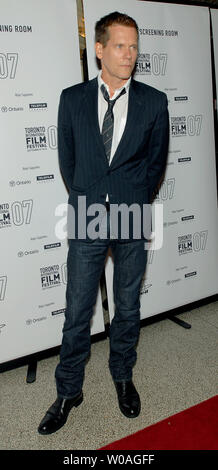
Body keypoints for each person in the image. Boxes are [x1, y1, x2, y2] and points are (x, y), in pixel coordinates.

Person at [38, 11, 169, 435]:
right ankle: (68, 390)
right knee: (78, 310)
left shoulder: (154, 100)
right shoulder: (71, 99)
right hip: (89, 211)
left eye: (133, 46)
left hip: (132, 212)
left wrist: (135, 198)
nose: (129, 54)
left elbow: (155, 163)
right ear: (99, 49)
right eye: (120, 45)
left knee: (127, 308)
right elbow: (68, 162)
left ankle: (122, 377)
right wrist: (88, 195)